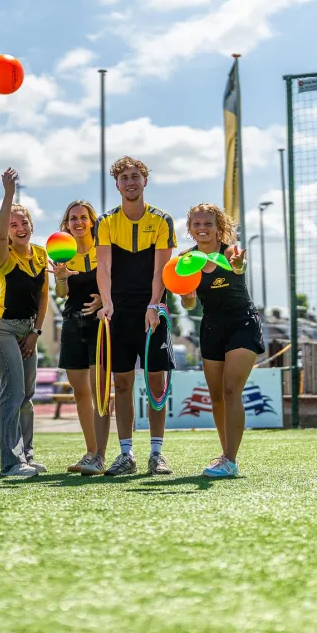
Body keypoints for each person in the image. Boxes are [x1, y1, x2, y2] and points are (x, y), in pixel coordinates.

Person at [95, 156, 177, 476]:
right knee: (123, 383)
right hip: (120, 312)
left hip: (151, 311)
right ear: (117, 185)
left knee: (156, 383)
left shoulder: (161, 220)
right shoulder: (106, 221)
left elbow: (161, 270)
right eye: (124, 178)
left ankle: (157, 454)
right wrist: (107, 303)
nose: (130, 182)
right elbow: (104, 267)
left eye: (135, 176)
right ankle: (126, 454)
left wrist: (154, 304)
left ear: (145, 181)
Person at [177, 204, 264, 478]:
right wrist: (188, 298)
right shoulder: (186, 259)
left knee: (230, 391)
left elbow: (239, 268)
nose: (202, 228)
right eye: (197, 224)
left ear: (218, 227)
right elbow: (189, 303)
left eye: (208, 224)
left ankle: (230, 459)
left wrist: (239, 267)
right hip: (211, 326)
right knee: (216, 397)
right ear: (190, 229)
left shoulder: (230, 252)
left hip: (242, 323)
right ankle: (225, 454)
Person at [0, 168, 50, 477]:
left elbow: (44, 297)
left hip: (28, 330)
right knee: (11, 394)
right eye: (14, 224)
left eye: (24, 222)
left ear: (32, 226)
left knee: (26, 396)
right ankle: (10, 463)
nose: (19, 227)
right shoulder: (4, 255)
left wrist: (36, 333)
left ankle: (27, 455)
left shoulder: (40, 254)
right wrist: (9, 194)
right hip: (2, 329)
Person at [51, 200, 112, 475]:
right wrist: (61, 277)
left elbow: (116, 280)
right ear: (67, 224)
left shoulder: (104, 249)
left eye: (83, 217)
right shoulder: (63, 253)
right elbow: (62, 294)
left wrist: (103, 299)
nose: (78, 222)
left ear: (92, 221)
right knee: (80, 392)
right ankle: (90, 452)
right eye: (73, 218)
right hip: (72, 324)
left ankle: (101, 454)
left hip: (100, 325)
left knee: (100, 392)